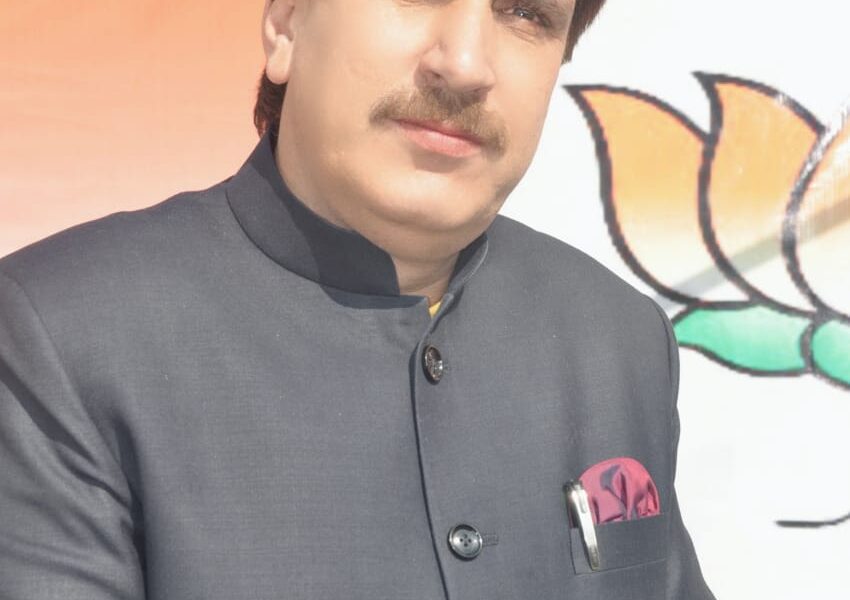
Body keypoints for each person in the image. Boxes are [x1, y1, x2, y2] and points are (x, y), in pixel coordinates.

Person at [0, 1, 715, 598]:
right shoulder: (60, 335)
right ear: (286, 24)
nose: (466, 62)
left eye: (526, 13)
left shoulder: (614, 337)